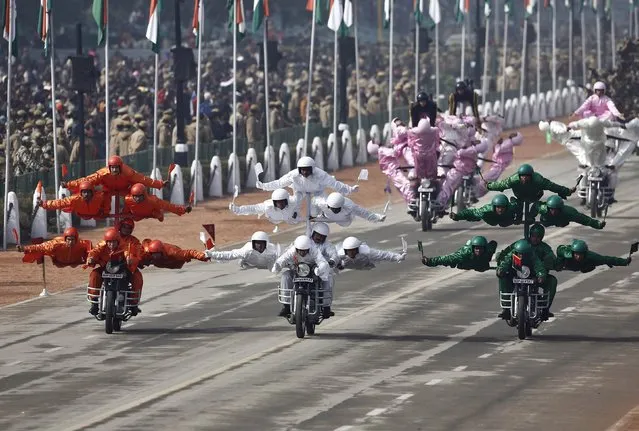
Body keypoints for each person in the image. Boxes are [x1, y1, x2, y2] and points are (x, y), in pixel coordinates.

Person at [255, 156, 358, 207]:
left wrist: (350, 189)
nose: (304, 172)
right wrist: (263, 186)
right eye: (302, 169)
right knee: (293, 203)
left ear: (312, 169)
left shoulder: (321, 175)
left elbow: (335, 184)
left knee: (324, 204)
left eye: (307, 169)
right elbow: (279, 183)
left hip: (317, 192)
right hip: (299, 191)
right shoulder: (293, 175)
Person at [486, 163, 575, 221]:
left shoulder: (538, 180)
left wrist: (566, 191)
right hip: (520, 196)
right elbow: (501, 185)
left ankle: (531, 216)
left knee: (536, 206)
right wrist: (489, 185)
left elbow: (553, 186)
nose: (524, 178)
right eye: (522, 176)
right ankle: (518, 215)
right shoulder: (513, 180)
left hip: (534, 196)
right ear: (519, 176)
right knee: (517, 203)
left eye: (527, 176)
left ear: (531, 176)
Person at [86, 228, 143, 316]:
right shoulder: (101, 245)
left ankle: (133, 303)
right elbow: (95, 251)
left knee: (137, 277)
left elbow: (127, 252)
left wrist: (129, 258)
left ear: (118, 241)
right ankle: (94, 303)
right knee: (94, 274)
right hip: (106, 268)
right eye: (109, 242)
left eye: (114, 242)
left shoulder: (124, 246)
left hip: (122, 268)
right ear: (106, 241)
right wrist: (91, 258)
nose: (111, 244)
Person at [272, 235, 332, 318]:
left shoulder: (314, 250)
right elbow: (283, 258)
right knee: (286, 275)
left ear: (309, 248)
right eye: (300, 251)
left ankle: (326, 307)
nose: (303, 253)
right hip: (297, 271)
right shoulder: (292, 251)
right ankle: (286, 306)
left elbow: (322, 261)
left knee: (327, 278)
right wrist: (277, 265)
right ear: (296, 248)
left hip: (312, 271)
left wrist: (319, 269)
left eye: (305, 251)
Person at [496, 239, 557, 320]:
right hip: (515, 275)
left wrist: (541, 276)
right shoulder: (513, 254)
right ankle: (506, 309)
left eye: (523, 254)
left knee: (552, 280)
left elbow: (538, 266)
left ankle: (544, 309)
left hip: (532, 276)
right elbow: (505, 262)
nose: (521, 255)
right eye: (519, 253)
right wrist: (500, 270)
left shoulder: (533, 255)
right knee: (503, 279)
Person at [62, 155, 166, 195]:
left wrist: (160, 184)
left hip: (125, 190)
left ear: (121, 167)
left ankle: (130, 212)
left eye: (117, 167)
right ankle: (103, 211)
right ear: (109, 167)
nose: (115, 170)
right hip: (108, 190)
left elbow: (144, 180)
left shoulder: (128, 172)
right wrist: (68, 185)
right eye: (113, 167)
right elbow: (86, 180)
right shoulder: (103, 173)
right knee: (100, 196)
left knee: (134, 195)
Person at [475, 132, 523, 198]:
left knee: (487, 181)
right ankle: (475, 194)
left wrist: (498, 144)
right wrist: (498, 144)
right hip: (498, 168)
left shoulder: (509, 143)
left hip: (498, 167)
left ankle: (475, 193)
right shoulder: (508, 144)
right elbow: (498, 150)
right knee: (485, 181)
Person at [17, 227, 91, 267]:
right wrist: (24, 248)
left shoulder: (82, 244)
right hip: (59, 262)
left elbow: (91, 250)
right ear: (65, 239)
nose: (70, 242)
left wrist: (91, 259)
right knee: (42, 249)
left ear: (76, 239)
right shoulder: (56, 243)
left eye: (72, 240)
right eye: (69, 239)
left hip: (76, 262)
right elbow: (40, 247)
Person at [205, 231, 278, 270]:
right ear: (253, 243)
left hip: (265, 264)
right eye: (256, 243)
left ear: (266, 243)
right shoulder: (246, 251)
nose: (258, 246)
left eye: (261, 243)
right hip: (249, 262)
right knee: (233, 260)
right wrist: (211, 254)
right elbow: (230, 254)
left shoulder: (273, 251)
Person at [37, 181, 111, 219]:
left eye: (88, 192)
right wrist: (44, 204)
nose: (86, 195)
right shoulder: (75, 199)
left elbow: (108, 197)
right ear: (81, 193)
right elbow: (59, 203)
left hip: (96, 215)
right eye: (84, 192)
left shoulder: (99, 197)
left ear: (92, 192)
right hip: (81, 214)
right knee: (65, 206)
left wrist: (106, 212)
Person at [229, 188, 302, 225]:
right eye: (277, 202)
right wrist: (238, 210)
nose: (280, 205)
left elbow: (301, 193)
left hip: (290, 219)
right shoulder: (267, 206)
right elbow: (253, 208)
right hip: (274, 219)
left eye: (282, 202)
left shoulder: (294, 201)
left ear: (287, 200)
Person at [422, 236, 497, 272]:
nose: (478, 250)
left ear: (485, 248)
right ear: (472, 248)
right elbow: (447, 259)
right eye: (476, 248)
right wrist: (430, 261)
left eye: (481, 248)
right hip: (464, 264)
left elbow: (494, 243)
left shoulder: (489, 250)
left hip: (481, 265)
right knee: (451, 261)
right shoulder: (464, 253)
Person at [123, 183, 191, 221]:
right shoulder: (128, 199)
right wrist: (123, 216)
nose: (137, 199)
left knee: (158, 215)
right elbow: (125, 211)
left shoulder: (153, 201)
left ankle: (160, 215)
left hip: (152, 214)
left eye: (139, 196)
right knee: (130, 221)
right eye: (135, 196)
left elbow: (168, 206)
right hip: (138, 215)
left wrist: (183, 209)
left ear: (144, 195)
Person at [313, 192, 386, 226]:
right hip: (327, 218)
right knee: (309, 219)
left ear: (342, 205)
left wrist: (377, 217)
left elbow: (364, 213)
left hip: (344, 220)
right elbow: (314, 200)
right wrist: (316, 214)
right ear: (328, 205)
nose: (335, 211)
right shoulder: (322, 202)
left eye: (337, 209)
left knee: (357, 215)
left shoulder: (350, 206)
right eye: (333, 208)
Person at [555, 239, 631, 272]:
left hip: (582, 266)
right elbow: (559, 249)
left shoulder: (591, 257)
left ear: (584, 253)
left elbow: (608, 259)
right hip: (564, 263)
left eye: (580, 254)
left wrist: (624, 262)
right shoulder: (567, 252)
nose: (578, 256)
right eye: (576, 254)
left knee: (602, 261)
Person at [535, 195, 605, 229]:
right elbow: (536, 205)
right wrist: (530, 216)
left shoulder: (569, 213)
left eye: (556, 209)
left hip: (561, 221)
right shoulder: (543, 208)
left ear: (561, 208)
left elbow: (584, 220)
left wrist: (597, 224)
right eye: (552, 209)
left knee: (564, 223)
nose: (553, 211)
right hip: (546, 221)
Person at [337, 236, 406, 270]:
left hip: (366, 265)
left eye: (353, 251)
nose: (351, 253)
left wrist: (397, 257)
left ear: (358, 249)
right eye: (349, 251)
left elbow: (383, 255)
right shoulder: (339, 254)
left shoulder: (366, 252)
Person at [450, 194, 519, 227]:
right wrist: (458, 216)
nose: (500, 210)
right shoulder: (486, 210)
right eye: (498, 207)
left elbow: (518, 204)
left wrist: (519, 217)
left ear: (506, 206)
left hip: (506, 220)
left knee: (503, 224)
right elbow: (471, 213)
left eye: (502, 207)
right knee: (476, 217)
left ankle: (512, 200)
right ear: (494, 206)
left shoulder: (511, 207)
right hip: (492, 220)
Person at [140, 239, 209, 269]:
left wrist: (202, 256)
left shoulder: (173, 252)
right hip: (164, 263)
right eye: (153, 254)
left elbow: (190, 253)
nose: (155, 257)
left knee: (183, 256)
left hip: (176, 261)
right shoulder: (146, 252)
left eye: (157, 254)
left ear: (162, 252)